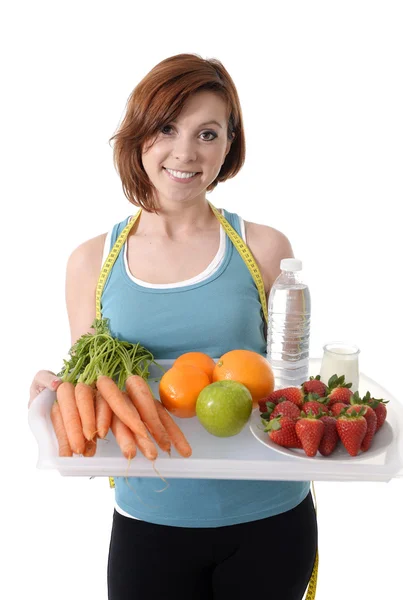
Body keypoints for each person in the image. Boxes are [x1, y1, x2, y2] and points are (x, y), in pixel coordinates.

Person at [29, 53, 318, 600]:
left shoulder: (265, 248)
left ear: (229, 145)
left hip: (270, 515)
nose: (186, 152)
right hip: (149, 520)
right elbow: (92, 385)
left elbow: (291, 375)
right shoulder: (93, 260)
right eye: (167, 128)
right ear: (139, 136)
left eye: (207, 133)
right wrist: (57, 392)